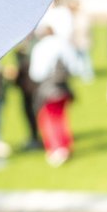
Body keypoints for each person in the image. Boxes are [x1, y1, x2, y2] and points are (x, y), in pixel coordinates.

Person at [28, 21, 85, 165]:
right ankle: (65, 145)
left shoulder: (40, 47)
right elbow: (74, 65)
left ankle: (57, 148)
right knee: (60, 117)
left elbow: (36, 73)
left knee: (48, 118)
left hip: (48, 89)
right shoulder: (63, 44)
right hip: (63, 87)